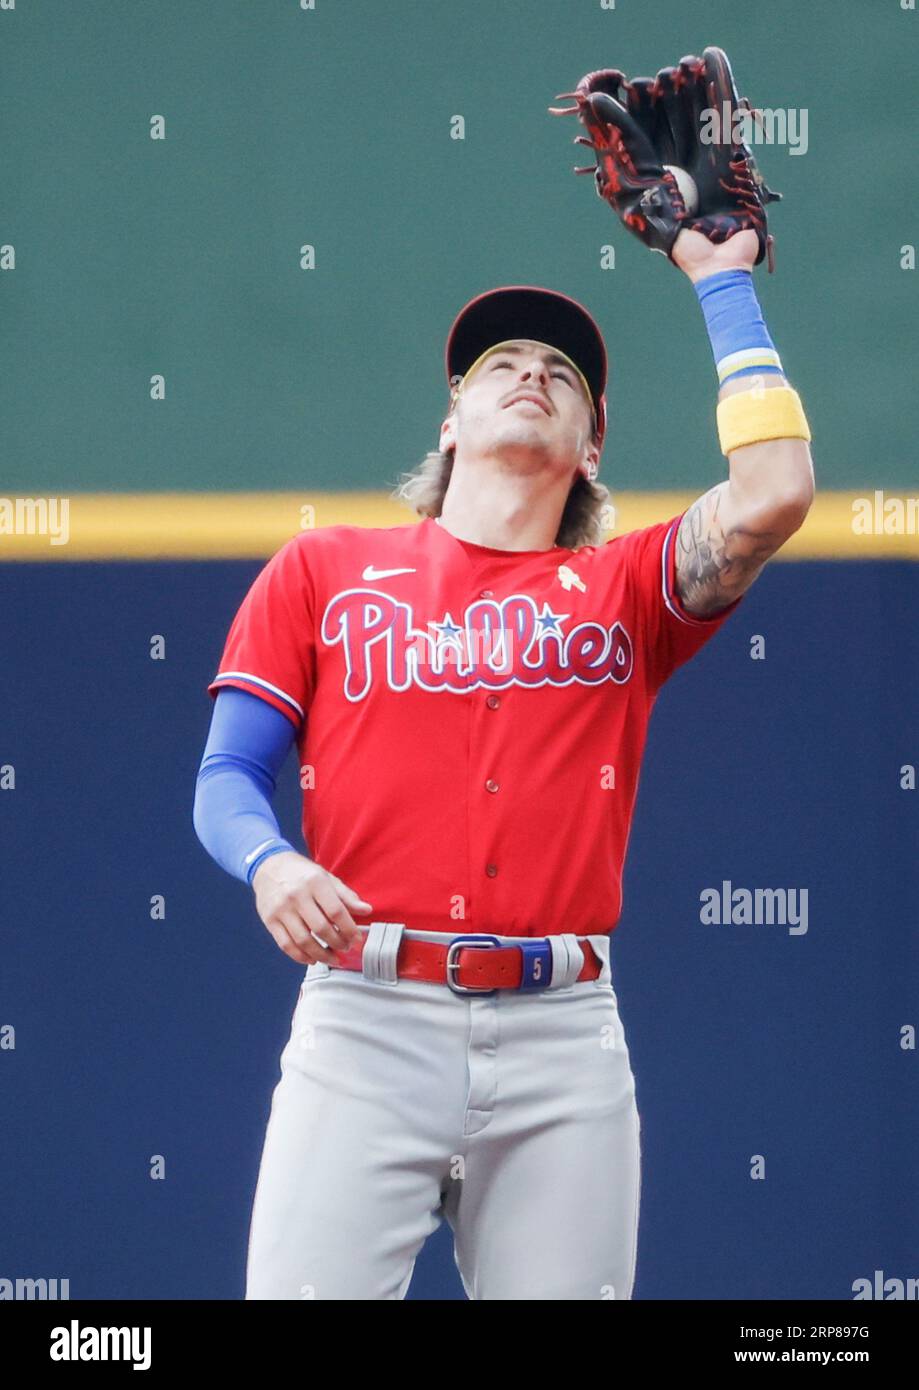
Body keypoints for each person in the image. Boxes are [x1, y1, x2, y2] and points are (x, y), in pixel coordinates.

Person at [193, 226, 814, 1300]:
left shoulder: (626, 589)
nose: (531, 372)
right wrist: (269, 864)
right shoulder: (326, 569)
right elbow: (224, 778)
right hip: (366, 1021)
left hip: (560, 1037)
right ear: (450, 419)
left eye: (562, 373)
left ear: (591, 445)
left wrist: (722, 284)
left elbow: (771, 495)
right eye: (498, 365)